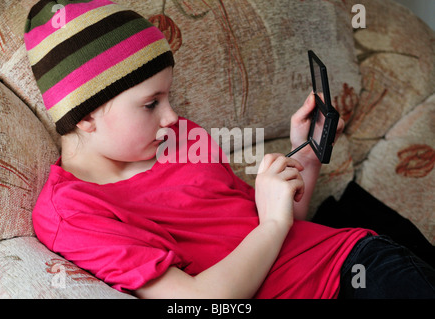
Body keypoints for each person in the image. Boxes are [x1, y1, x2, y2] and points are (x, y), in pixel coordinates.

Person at [26, 0, 434, 299]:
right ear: (85, 115)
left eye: (169, 97)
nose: (172, 116)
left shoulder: (182, 139)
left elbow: (283, 225)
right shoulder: (72, 211)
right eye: (152, 104)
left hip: (358, 263)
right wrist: (272, 225)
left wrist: (303, 157)